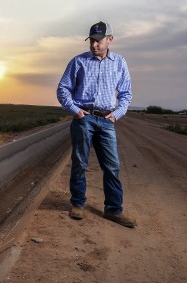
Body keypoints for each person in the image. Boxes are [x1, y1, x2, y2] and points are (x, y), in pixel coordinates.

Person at [56, 21, 136, 228]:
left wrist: (116, 114)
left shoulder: (119, 62)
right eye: (91, 41)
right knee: (80, 163)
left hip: (107, 120)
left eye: (98, 41)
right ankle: (77, 204)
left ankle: (114, 210)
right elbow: (63, 88)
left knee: (112, 166)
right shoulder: (78, 62)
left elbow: (126, 94)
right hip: (84, 118)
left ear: (110, 39)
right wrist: (75, 111)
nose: (94, 45)